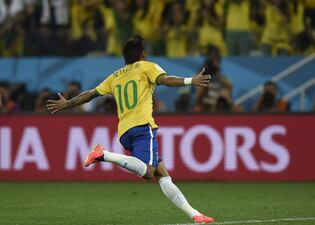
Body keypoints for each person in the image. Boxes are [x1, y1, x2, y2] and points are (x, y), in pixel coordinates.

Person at [46, 34, 214, 224]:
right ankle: (103, 154)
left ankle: (195, 215)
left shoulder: (115, 76)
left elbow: (91, 94)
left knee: (161, 173)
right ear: (143, 54)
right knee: (150, 172)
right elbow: (165, 80)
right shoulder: (147, 67)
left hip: (124, 131)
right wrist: (191, 81)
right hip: (143, 126)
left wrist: (67, 104)